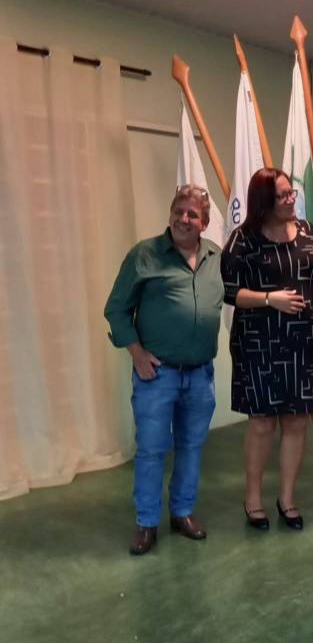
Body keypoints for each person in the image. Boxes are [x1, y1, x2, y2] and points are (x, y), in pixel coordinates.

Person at [104, 185, 223, 556]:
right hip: (157, 375)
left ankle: (182, 512)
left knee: (192, 446)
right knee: (152, 450)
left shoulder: (215, 257)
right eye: (178, 211)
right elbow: (116, 309)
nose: (184, 219)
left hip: (200, 374)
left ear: (204, 222)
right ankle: (146, 522)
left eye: (193, 214)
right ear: (171, 214)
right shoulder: (144, 255)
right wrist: (137, 354)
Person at [221, 168, 313, 531]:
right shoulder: (243, 239)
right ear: (264, 202)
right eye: (283, 195)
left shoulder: (308, 233)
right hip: (259, 344)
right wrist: (269, 298)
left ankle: (287, 499)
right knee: (261, 424)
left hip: (303, 344)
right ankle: (253, 499)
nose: (292, 199)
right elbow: (228, 291)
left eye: (292, 193)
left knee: (297, 421)